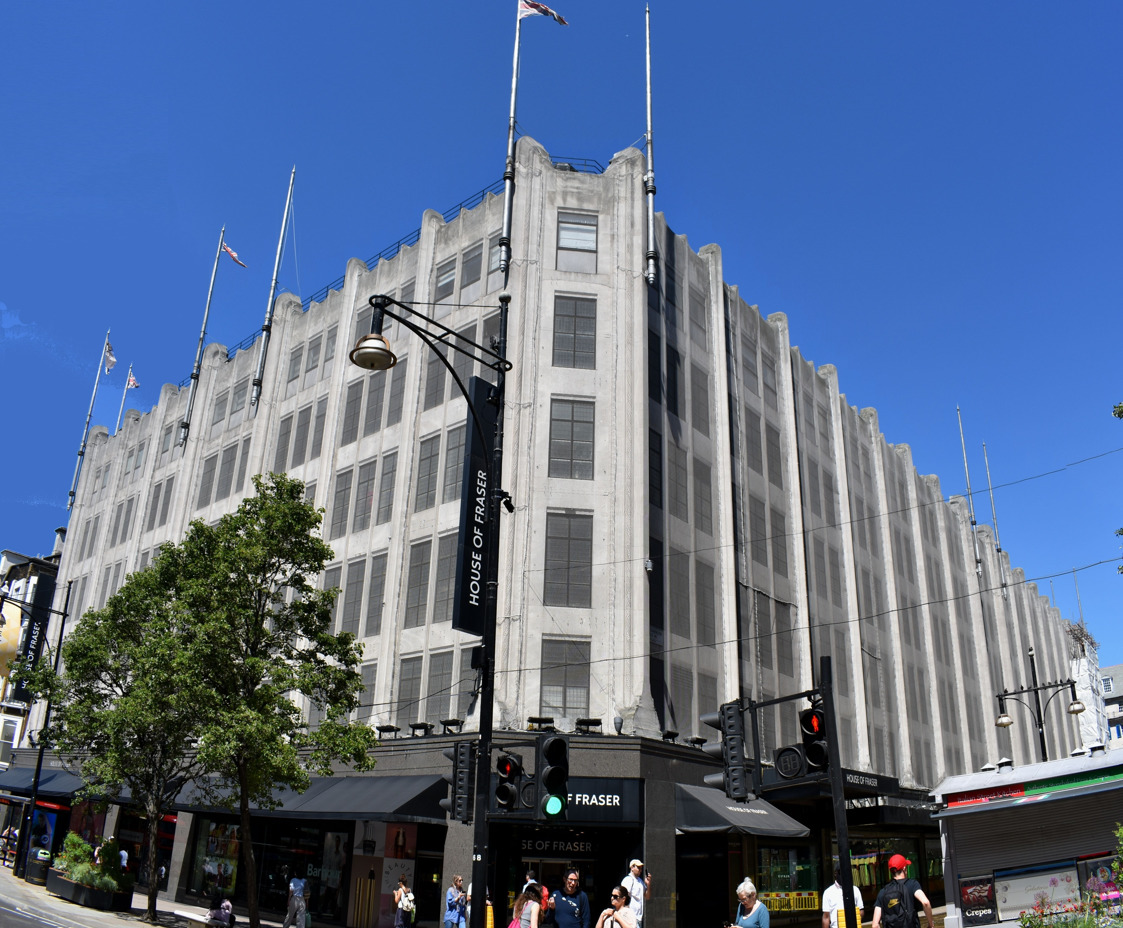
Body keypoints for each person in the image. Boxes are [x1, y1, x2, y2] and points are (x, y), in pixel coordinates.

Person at [872, 855, 933, 928]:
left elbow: (875, 925)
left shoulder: (883, 891)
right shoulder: (912, 884)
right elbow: (925, 902)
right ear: (904, 868)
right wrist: (930, 924)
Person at [621, 860, 651, 928]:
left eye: (641, 868)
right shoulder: (628, 880)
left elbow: (647, 896)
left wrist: (648, 884)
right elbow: (623, 897)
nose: (640, 870)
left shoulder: (640, 881)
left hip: (638, 918)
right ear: (632, 867)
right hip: (630, 917)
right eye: (638, 867)